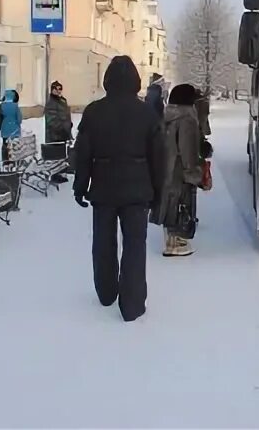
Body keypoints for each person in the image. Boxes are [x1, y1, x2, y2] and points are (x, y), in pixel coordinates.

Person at [72, 56, 164, 322]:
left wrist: (80, 186)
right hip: (138, 188)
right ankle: (132, 304)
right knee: (135, 245)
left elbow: (83, 154)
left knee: (103, 241)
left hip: (103, 186)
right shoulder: (147, 112)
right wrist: (158, 191)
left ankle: (106, 290)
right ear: (135, 81)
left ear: (108, 80)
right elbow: (158, 155)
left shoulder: (93, 112)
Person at [152, 83, 208, 257]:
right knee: (181, 203)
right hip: (179, 170)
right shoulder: (187, 118)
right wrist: (195, 173)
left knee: (168, 203)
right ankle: (177, 243)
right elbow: (188, 150)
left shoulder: (166, 115)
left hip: (164, 169)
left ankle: (170, 241)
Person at [44, 80, 73, 184]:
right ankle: (55, 175)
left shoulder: (62, 100)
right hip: (54, 134)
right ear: (52, 90)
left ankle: (61, 173)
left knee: (62, 153)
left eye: (60, 89)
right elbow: (51, 119)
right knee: (55, 154)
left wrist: (69, 125)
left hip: (64, 131)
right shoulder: (51, 102)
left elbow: (66, 115)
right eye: (57, 89)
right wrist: (60, 128)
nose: (59, 91)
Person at [0, 89, 22, 162]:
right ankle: (14, 160)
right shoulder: (15, 106)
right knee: (14, 145)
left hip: (5, 128)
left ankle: (5, 160)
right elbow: (19, 118)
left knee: (5, 144)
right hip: (15, 129)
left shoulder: (2, 106)